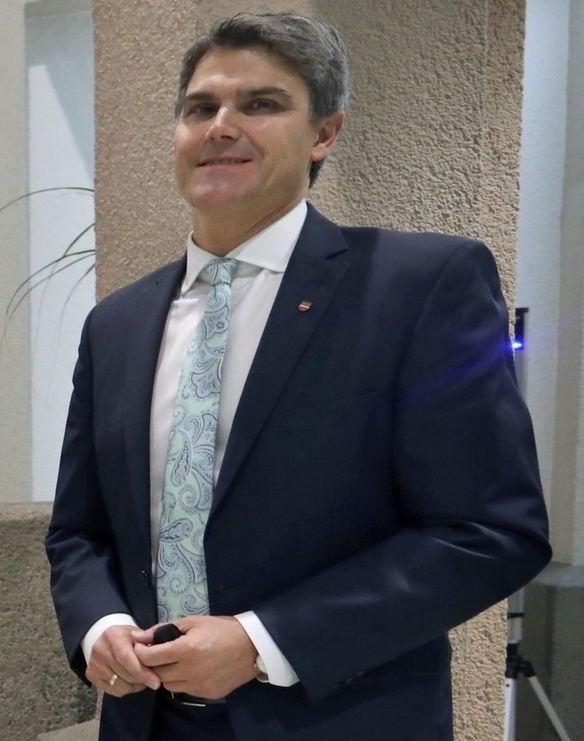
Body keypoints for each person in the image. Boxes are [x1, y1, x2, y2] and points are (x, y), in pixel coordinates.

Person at [45, 13, 550, 740]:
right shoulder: (117, 325)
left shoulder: (418, 286)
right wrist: (100, 626)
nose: (221, 125)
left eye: (261, 104)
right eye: (200, 108)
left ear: (324, 134)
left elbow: (490, 530)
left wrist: (260, 640)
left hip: (338, 718)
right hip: (146, 723)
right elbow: (79, 530)